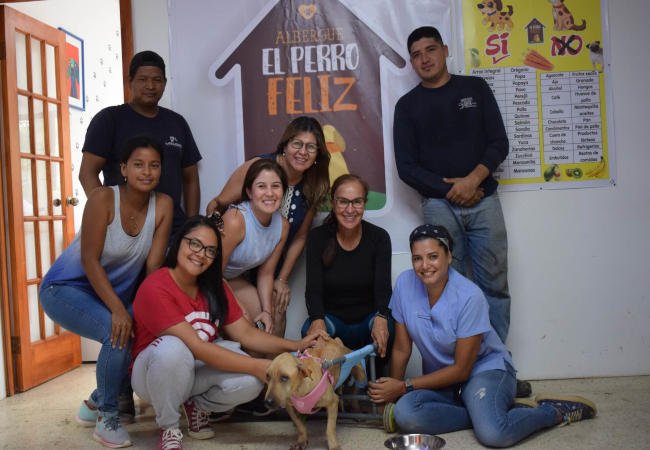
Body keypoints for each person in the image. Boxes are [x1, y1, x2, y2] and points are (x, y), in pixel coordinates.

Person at [392, 26, 530, 396]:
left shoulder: (475, 89)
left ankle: (498, 372)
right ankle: (456, 375)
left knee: (494, 286)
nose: (425, 58)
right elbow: (407, 167)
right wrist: (454, 189)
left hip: (484, 200)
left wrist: (474, 180)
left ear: (445, 50)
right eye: (417, 53)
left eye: (430, 49)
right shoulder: (407, 106)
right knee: (443, 285)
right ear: (412, 61)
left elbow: (498, 142)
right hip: (438, 204)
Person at [368, 224, 597, 447]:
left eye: (433, 256)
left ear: (449, 256)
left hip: (483, 371)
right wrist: (392, 394)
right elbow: (401, 349)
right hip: (442, 381)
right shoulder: (405, 284)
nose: (425, 265)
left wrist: (404, 387)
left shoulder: (469, 296)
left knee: (494, 434)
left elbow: (461, 370)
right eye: (417, 258)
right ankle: (489, 413)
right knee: (406, 414)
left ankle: (553, 411)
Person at [130, 215, 326, 450]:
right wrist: (260, 366)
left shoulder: (215, 286)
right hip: (153, 374)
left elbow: (246, 334)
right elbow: (198, 346)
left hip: (193, 369)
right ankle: (170, 427)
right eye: (194, 244)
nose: (201, 254)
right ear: (179, 242)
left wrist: (296, 345)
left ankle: (196, 407)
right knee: (174, 349)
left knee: (251, 380)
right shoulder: (156, 286)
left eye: (210, 251)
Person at [40, 136, 173, 448]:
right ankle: (107, 417)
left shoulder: (163, 205)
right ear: (124, 169)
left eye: (154, 165)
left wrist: (152, 311)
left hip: (111, 295)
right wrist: (117, 309)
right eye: (138, 164)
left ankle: (93, 404)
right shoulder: (102, 199)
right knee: (118, 334)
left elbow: (152, 267)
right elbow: (89, 260)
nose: (147, 171)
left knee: (138, 332)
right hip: (65, 289)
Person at [206, 116, 330, 337]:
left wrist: (281, 279)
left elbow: (300, 237)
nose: (303, 152)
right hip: (228, 262)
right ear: (284, 144)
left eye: (311, 147)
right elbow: (217, 203)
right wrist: (217, 229)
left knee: (274, 312)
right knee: (242, 321)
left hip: (266, 261)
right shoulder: (259, 169)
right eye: (297, 144)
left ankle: (271, 367)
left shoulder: (312, 184)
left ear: (318, 153)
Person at [79, 50, 201, 234]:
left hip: (171, 227)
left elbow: (191, 178)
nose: (150, 86)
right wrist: (107, 216)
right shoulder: (109, 119)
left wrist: (191, 225)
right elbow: (87, 174)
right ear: (130, 82)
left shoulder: (177, 123)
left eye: (157, 80)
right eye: (143, 79)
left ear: (165, 83)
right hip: (125, 228)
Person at [302, 174, 393, 368]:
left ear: (364, 203)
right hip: (334, 322)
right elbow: (313, 289)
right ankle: (329, 393)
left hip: (367, 321)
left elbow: (383, 288)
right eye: (343, 202)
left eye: (357, 202)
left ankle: (373, 387)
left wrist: (382, 317)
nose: (350, 209)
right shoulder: (318, 238)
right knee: (308, 331)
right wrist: (317, 320)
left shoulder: (379, 238)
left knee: (391, 327)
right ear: (333, 203)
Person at [220, 159, 289, 335]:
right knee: (246, 324)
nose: (269, 193)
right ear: (249, 192)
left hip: (232, 280)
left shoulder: (282, 226)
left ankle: (275, 362)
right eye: (261, 186)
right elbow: (212, 272)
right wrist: (237, 306)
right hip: (209, 281)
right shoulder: (235, 219)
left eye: (275, 186)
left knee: (270, 319)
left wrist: (266, 311)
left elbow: (266, 273)